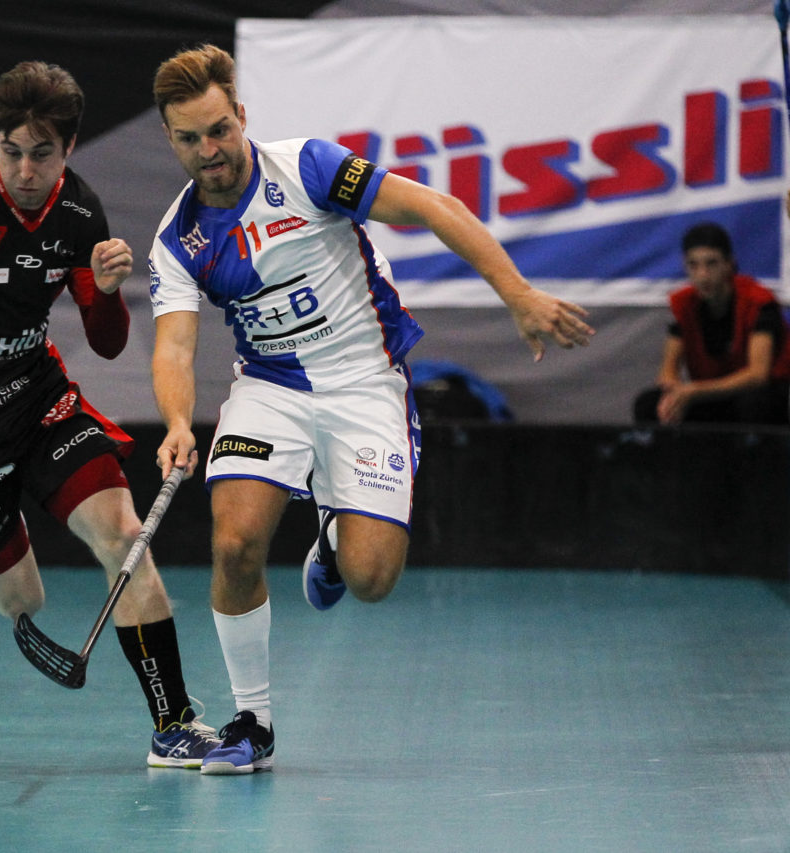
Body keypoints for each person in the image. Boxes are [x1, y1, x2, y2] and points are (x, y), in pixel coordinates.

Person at [147, 44, 595, 775]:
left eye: (220, 129)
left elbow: (432, 206)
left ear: (241, 117)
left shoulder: (312, 168)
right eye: (191, 138)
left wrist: (519, 294)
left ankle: (331, 537)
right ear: (171, 140)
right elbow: (173, 348)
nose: (211, 150)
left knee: (371, 580)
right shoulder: (179, 239)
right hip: (271, 386)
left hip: (365, 380)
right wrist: (174, 421)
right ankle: (252, 721)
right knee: (233, 543)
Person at [0, 61, 219, 768]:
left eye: (42, 153)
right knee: (20, 598)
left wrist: (110, 291)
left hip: (38, 400)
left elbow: (109, 341)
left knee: (124, 534)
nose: (25, 170)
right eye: (11, 151)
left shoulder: (81, 214)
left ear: (71, 147)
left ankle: (173, 723)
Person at [632, 223, 790, 425]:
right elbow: (668, 371)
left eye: (711, 264)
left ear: (729, 264)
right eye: (694, 265)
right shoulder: (683, 304)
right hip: (710, 396)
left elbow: (758, 375)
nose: (702, 275)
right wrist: (672, 395)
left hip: (762, 396)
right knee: (649, 404)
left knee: (755, 402)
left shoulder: (758, 302)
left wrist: (694, 391)